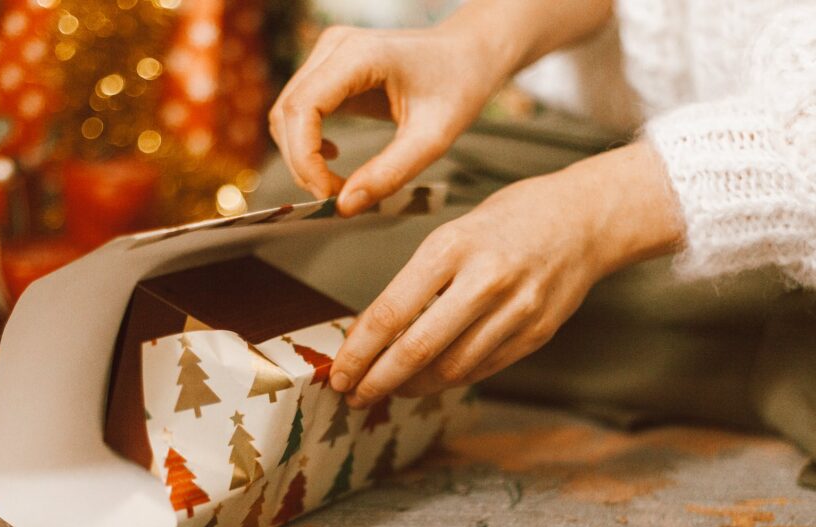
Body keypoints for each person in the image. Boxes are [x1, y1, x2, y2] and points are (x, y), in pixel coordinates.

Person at [268, 0, 816, 437]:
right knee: (294, 219)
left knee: (396, 282)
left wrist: (593, 213)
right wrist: (471, 43)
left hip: (767, 160)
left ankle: (770, 354)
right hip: (659, 132)